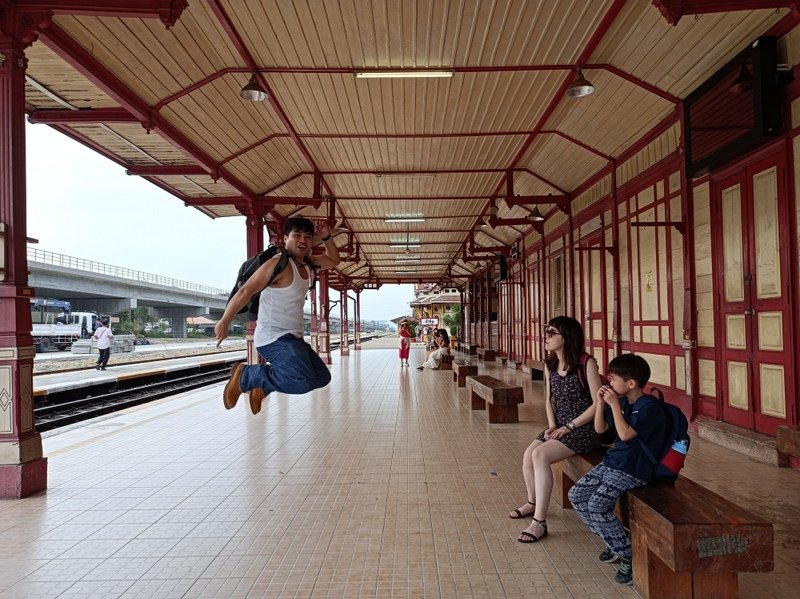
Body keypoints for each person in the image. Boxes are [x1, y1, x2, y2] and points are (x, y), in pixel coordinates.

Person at [214, 217, 341, 415]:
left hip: (294, 339)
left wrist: (326, 237)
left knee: (321, 377)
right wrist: (225, 320)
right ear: (285, 238)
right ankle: (245, 376)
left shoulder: (308, 264)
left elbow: (334, 259)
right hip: (273, 337)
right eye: (296, 235)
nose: (302, 240)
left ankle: (262, 387)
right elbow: (245, 291)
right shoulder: (278, 264)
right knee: (302, 380)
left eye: (308, 237)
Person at [567, 353, 665, 586]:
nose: (609, 383)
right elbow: (601, 429)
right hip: (613, 463)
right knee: (576, 495)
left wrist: (612, 404)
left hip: (634, 470)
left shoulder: (650, 408)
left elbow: (625, 434)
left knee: (597, 505)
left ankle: (627, 553)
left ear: (630, 383)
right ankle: (615, 542)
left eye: (613, 379)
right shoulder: (620, 402)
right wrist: (601, 404)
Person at [509, 316, 601, 543]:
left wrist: (569, 426)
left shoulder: (585, 363)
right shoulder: (550, 364)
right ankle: (532, 502)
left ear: (566, 337)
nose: (546, 336)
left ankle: (540, 521)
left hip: (584, 428)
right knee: (528, 456)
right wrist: (552, 425)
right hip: (560, 426)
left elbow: (598, 403)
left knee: (540, 455)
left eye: (551, 332)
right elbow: (549, 398)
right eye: (546, 331)